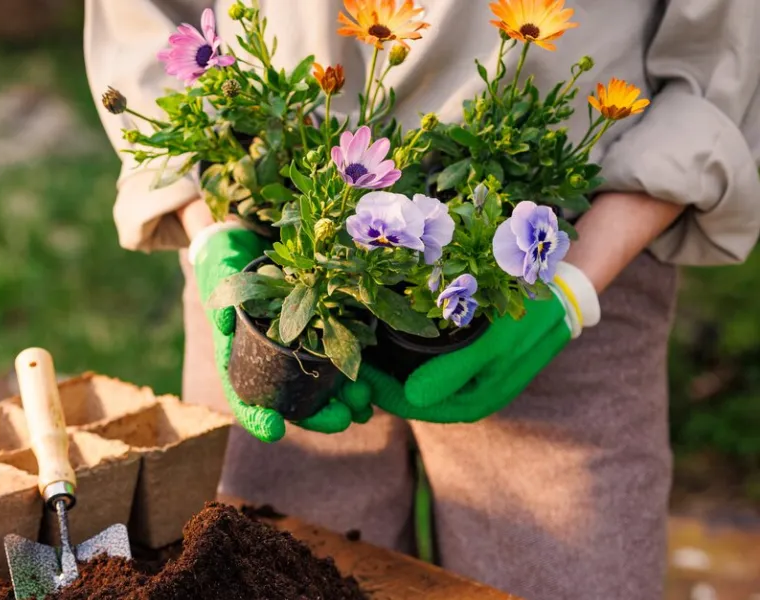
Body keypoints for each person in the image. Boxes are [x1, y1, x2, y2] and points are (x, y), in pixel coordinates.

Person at [83, 1, 760, 598]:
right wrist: (214, 240)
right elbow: (143, 23)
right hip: (277, 247)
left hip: (553, 244)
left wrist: (573, 284)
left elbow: (723, 55)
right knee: (269, 564)